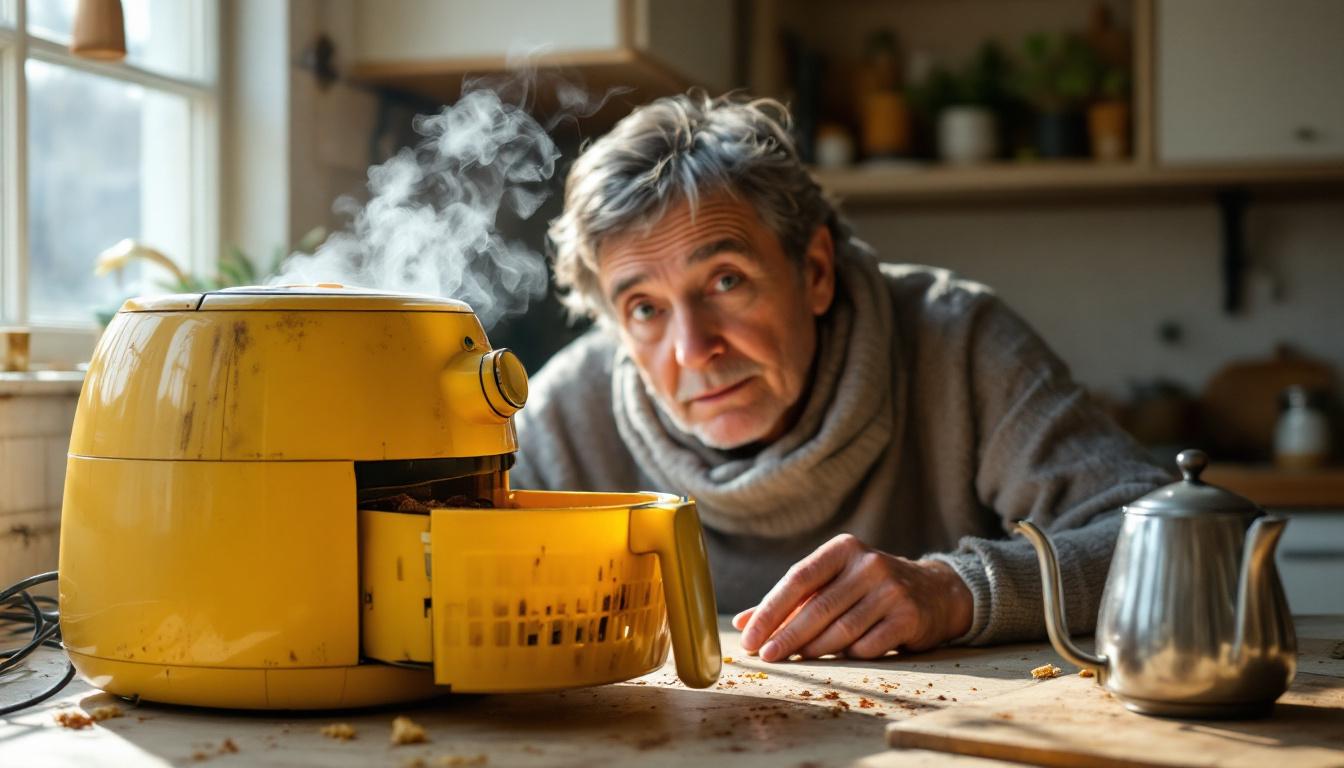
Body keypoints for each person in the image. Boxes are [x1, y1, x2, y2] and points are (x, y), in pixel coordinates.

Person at [510, 92, 1170, 663]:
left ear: (817, 271)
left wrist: (955, 591)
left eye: (726, 280)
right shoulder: (568, 412)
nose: (693, 350)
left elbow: (1167, 539)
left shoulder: (955, 340)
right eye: (646, 309)